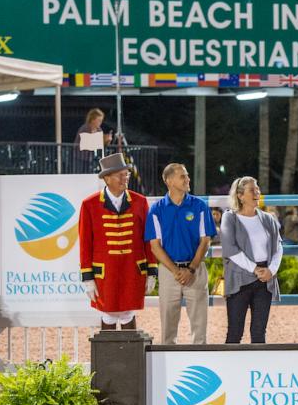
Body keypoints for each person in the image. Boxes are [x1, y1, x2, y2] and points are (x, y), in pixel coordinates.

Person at [79, 153, 157, 330]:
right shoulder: (89, 204)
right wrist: (87, 278)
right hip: (106, 273)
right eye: (120, 175)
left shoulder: (140, 202)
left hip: (132, 269)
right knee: (108, 314)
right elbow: (85, 244)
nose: (125, 178)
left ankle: (131, 356)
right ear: (107, 178)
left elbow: (148, 239)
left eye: (126, 174)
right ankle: (108, 357)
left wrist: (152, 271)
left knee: (128, 313)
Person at [145, 163, 216, 344]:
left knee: (199, 329)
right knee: (168, 328)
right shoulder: (157, 209)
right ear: (169, 181)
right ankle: (168, 365)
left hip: (195, 270)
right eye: (183, 176)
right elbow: (155, 246)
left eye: (187, 175)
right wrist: (177, 271)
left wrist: (190, 269)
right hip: (169, 273)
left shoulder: (199, 206)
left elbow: (206, 241)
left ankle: (199, 360)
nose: (188, 179)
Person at [221, 177, 283, 344]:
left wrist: (271, 270)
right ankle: (231, 368)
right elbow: (230, 249)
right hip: (239, 278)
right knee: (235, 332)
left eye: (257, 189)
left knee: (259, 332)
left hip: (265, 279)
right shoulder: (229, 218)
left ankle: (257, 369)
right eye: (252, 190)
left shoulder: (268, 218)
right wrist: (255, 269)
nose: (257, 192)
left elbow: (278, 247)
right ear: (240, 196)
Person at [73, 108, 113, 173]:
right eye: (99, 120)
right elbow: (86, 143)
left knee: (89, 176)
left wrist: (108, 140)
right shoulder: (84, 128)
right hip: (80, 157)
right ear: (93, 119)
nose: (100, 122)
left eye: (101, 120)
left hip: (91, 159)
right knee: (80, 175)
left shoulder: (99, 130)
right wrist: (102, 139)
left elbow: (102, 145)